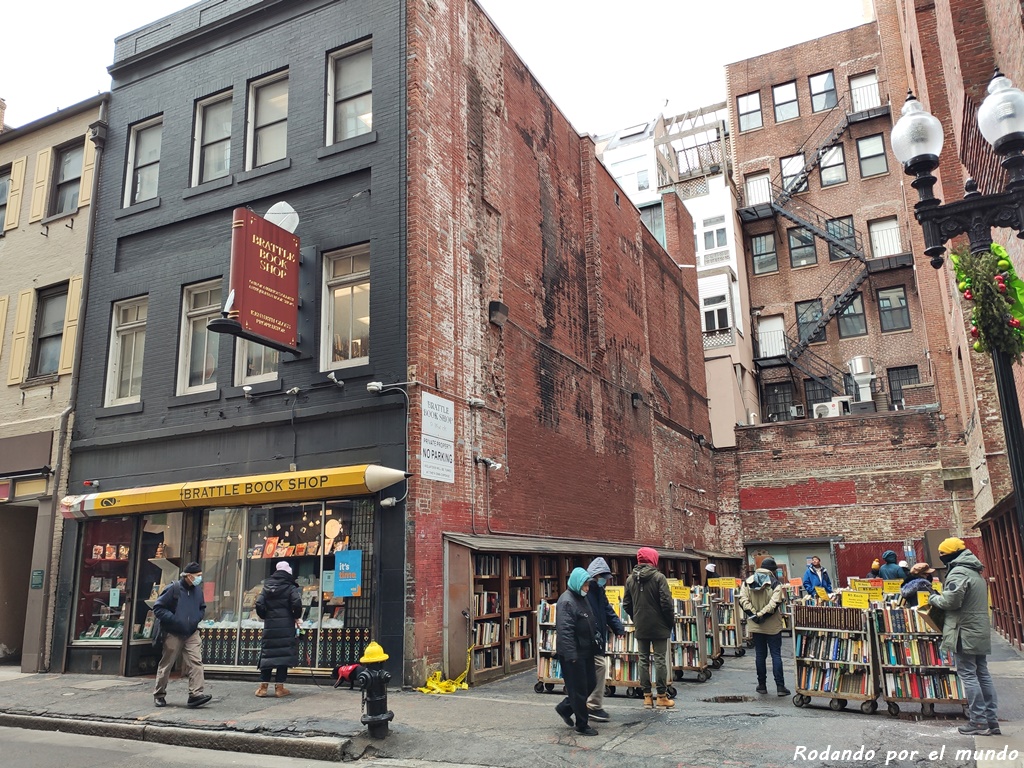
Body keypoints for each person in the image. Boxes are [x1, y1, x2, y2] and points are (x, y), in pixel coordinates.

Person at [929, 537, 1000, 735]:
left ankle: (978, 721)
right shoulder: (974, 571)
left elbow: (951, 602)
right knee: (982, 674)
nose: (941, 559)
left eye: (942, 555)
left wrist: (933, 597)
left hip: (964, 630)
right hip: (977, 629)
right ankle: (991, 721)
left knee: (968, 675)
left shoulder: (958, 572)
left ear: (951, 554)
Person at [621, 547, 675, 709]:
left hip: (641, 625)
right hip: (659, 625)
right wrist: (669, 622)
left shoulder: (630, 580)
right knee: (660, 660)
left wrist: (636, 617)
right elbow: (667, 603)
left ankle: (646, 697)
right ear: (653, 559)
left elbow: (627, 604)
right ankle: (661, 696)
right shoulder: (659, 578)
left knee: (643, 660)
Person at [152, 562, 211, 708]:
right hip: (173, 632)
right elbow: (158, 608)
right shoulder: (174, 588)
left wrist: (197, 618)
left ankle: (195, 695)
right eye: (197, 576)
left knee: (196, 662)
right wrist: (175, 620)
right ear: (189, 576)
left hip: (191, 632)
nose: (200, 578)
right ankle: (159, 694)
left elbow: (202, 607)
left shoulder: (198, 591)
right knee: (167, 664)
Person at [554, 567, 601, 736]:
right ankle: (582, 724)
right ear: (577, 583)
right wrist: (571, 654)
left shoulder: (581, 598)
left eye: (588, 585)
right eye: (585, 586)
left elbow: (589, 619)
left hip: (586, 649)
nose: (587, 589)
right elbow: (565, 630)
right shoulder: (566, 601)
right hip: (573, 653)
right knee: (579, 688)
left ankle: (565, 708)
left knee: (591, 683)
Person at [739, 557, 790, 697]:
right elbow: (774, 604)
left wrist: (755, 615)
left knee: (760, 655)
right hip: (773, 625)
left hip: (755, 625)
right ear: (773, 570)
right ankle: (780, 686)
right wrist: (762, 614)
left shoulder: (747, 582)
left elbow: (742, 600)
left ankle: (762, 685)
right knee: (776, 655)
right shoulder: (775, 584)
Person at [584, 557, 626, 723]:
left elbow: (607, 610)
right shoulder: (588, 591)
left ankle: (584, 705)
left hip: (597, 638)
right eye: (604, 578)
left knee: (593, 671)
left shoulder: (599, 591)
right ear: (596, 576)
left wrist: (618, 627)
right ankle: (592, 705)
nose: (605, 582)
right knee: (599, 667)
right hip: (591, 640)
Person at [255, 561, 303, 697]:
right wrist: (295, 616)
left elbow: (259, 603)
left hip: (270, 625)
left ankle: (263, 688)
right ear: (288, 572)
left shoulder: (267, 586)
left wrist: (265, 615)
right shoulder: (290, 587)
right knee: (283, 655)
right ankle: (279, 688)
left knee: (268, 654)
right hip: (286, 625)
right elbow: (297, 603)